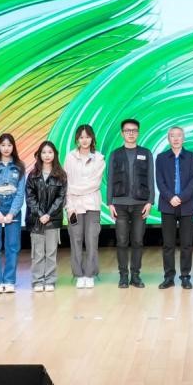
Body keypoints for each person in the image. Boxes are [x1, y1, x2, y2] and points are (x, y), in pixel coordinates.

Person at [107, 118, 155, 288]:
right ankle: (123, 276)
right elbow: (110, 178)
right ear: (122, 133)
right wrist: (110, 203)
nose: (131, 133)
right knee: (121, 241)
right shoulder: (115, 154)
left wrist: (150, 201)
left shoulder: (146, 153)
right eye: (127, 131)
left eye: (134, 130)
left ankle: (135, 276)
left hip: (140, 205)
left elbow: (150, 178)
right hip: (119, 204)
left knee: (137, 241)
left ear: (138, 133)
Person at [156, 126, 193, 290]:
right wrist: (170, 197)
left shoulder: (192, 157)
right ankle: (169, 277)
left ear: (184, 138)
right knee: (168, 244)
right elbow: (160, 181)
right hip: (167, 205)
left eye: (179, 135)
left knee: (186, 244)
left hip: (187, 205)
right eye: (172, 136)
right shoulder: (161, 158)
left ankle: (185, 276)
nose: (175, 139)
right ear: (168, 139)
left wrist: (181, 197)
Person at [0, 133, 26, 294]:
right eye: (3, 145)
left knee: (12, 246)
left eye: (9, 145)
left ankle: (9, 281)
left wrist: (11, 213)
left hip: (12, 208)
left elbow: (20, 193)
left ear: (13, 147)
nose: (6, 148)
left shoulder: (19, 166)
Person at [64, 124, 105, 289]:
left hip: (92, 205)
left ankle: (90, 274)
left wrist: (74, 188)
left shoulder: (99, 158)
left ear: (92, 138)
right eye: (81, 137)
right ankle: (79, 275)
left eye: (87, 137)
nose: (84, 140)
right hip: (73, 206)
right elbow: (66, 183)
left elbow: (94, 184)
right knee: (75, 240)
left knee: (91, 240)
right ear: (77, 139)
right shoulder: (70, 157)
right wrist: (69, 205)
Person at [25, 141, 66, 292]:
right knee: (37, 253)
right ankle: (37, 281)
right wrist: (41, 214)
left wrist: (49, 214)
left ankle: (50, 280)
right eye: (44, 152)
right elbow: (30, 197)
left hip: (53, 220)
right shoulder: (33, 175)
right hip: (36, 220)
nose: (47, 155)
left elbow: (61, 198)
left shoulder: (61, 175)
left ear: (54, 154)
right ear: (39, 155)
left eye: (50, 152)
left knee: (51, 253)